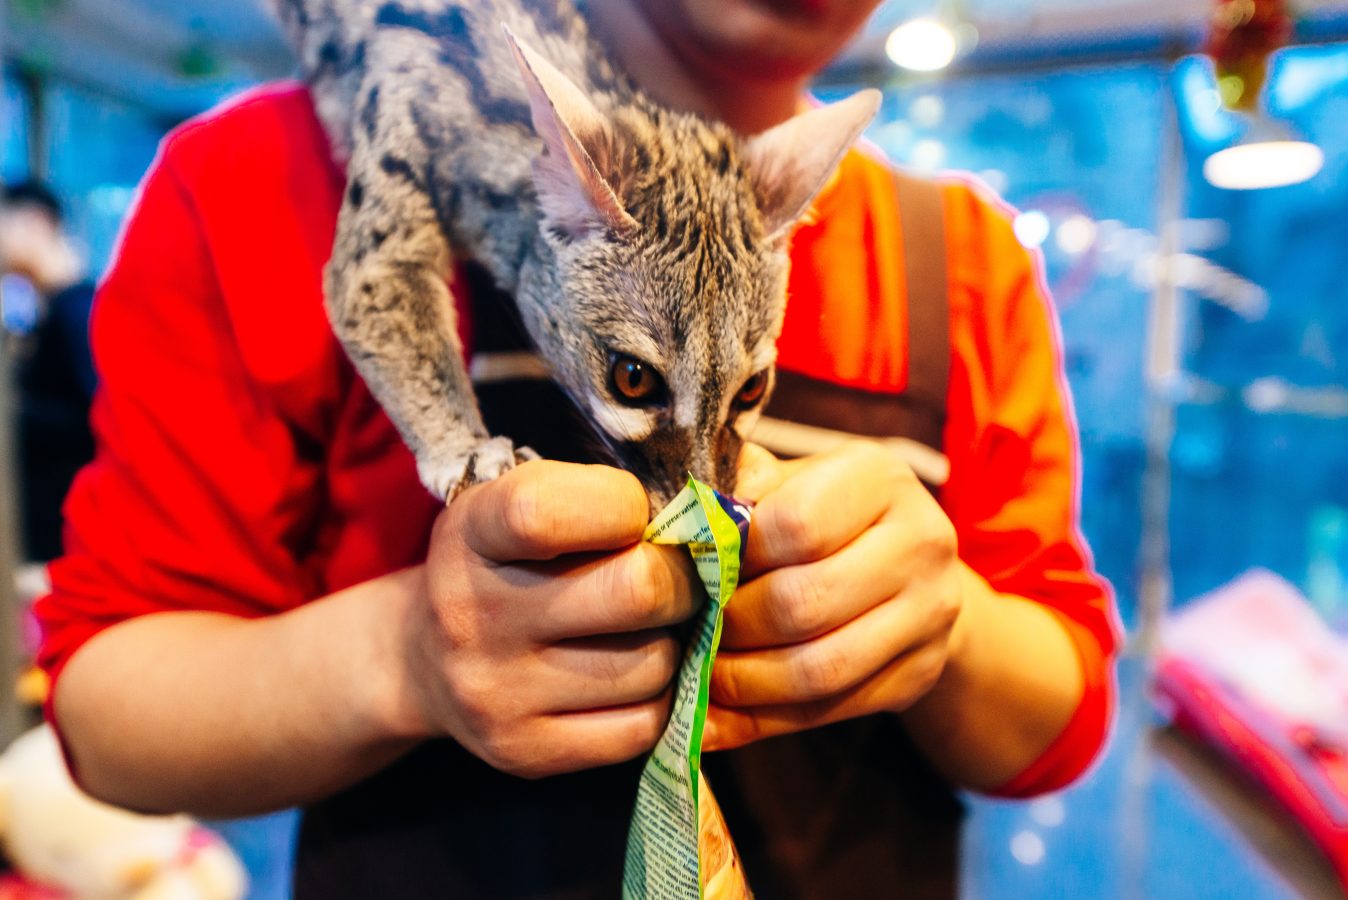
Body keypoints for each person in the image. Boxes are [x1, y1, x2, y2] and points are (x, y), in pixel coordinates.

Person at [34, 0, 1121, 896]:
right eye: (639, 382)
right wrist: (405, 656)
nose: (702, 468)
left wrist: (948, 624)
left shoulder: (960, 259)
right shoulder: (268, 179)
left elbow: (1062, 722)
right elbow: (104, 716)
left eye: (744, 394)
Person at [0, 181, 97, 563]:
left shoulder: (76, 309)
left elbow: (97, 416)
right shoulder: (55, 308)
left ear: (35, 223)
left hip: (70, 535)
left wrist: (17, 414)